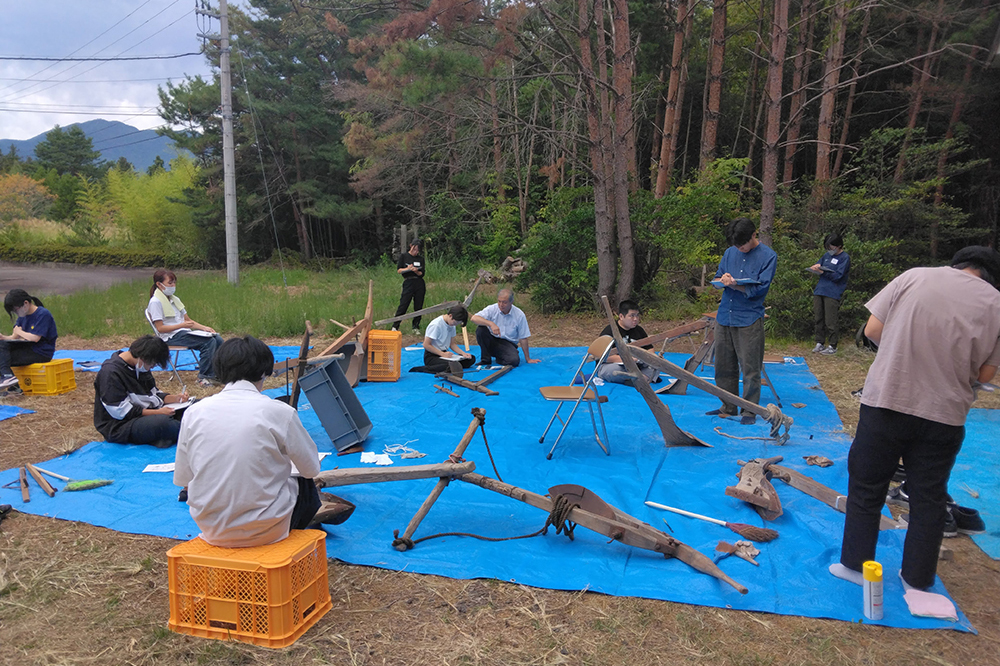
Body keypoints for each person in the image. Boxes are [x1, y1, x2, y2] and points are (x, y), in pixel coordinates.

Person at [831, 246, 1000, 594]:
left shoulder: (915, 276)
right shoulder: (996, 303)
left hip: (888, 401)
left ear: (957, 264)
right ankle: (917, 579)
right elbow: (986, 372)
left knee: (867, 486)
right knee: (929, 498)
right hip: (945, 414)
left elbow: (873, 331)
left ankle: (855, 566)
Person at [174, 336, 354, 548]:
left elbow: (184, 478)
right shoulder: (279, 412)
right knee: (302, 480)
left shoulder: (194, 412)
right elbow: (311, 468)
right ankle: (301, 526)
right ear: (264, 372)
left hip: (211, 528)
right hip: (268, 530)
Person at [707, 218, 777, 425]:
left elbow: (759, 290)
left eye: (743, 245)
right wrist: (722, 281)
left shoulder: (768, 256)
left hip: (748, 317)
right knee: (723, 364)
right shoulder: (730, 253)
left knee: (750, 366)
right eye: (736, 245)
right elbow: (718, 278)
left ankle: (749, 410)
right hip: (725, 315)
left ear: (754, 235)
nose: (740, 248)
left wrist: (736, 284)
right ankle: (728, 405)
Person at [93, 335, 188, 447]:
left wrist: (175, 398)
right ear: (143, 358)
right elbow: (121, 412)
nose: (152, 367)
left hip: (148, 414)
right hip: (121, 425)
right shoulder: (110, 373)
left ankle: (164, 436)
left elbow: (153, 394)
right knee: (163, 423)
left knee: (194, 407)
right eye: (152, 364)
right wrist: (158, 412)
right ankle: (191, 433)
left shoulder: (140, 366)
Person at [145, 269, 224, 387]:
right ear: (159, 284)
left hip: (183, 332)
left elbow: (188, 321)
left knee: (217, 339)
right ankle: (205, 377)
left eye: (174, 283)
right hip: (170, 336)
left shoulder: (174, 299)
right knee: (208, 342)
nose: (173, 286)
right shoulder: (155, 302)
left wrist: (204, 328)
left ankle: (217, 373)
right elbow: (160, 328)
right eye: (170, 283)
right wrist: (181, 325)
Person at [0, 289, 59, 391]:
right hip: (27, 348)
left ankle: (8, 377)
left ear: (25, 303)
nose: (16, 313)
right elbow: (14, 336)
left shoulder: (43, 314)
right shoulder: (23, 315)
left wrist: (19, 332)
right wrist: (3, 338)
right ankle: (13, 386)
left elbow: (35, 338)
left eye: (16, 310)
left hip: (41, 352)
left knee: (2, 359)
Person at [470, 288, 541, 367]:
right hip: (492, 339)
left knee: (514, 361)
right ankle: (486, 359)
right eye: (499, 301)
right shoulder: (492, 309)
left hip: (508, 343)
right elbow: (474, 318)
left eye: (504, 302)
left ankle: (500, 357)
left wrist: (528, 359)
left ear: (511, 302)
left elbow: (523, 337)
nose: (501, 305)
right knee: (481, 329)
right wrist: (490, 324)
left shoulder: (519, 315)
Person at [597, 300, 659, 385]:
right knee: (613, 370)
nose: (635, 319)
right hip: (615, 365)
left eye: (637, 315)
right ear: (621, 316)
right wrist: (628, 360)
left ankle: (640, 379)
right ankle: (637, 379)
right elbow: (601, 356)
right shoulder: (610, 331)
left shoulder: (639, 330)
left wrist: (647, 357)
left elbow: (649, 348)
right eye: (632, 316)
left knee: (658, 363)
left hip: (637, 365)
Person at [809, 233, 851, 355]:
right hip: (820, 290)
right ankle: (819, 342)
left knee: (830, 320)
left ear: (839, 246)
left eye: (832, 247)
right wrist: (816, 268)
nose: (830, 250)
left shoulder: (844, 258)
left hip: (832, 292)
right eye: (828, 247)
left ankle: (833, 345)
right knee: (818, 317)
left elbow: (838, 276)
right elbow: (819, 265)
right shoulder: (826, 256)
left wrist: (823, 272)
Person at [409, 304, 475, 374]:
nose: (455, 325)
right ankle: (423, 369)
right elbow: (426, 345)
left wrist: (463, 353)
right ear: (450, 316)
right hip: (432, 355)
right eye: (455, 322)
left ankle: (455, 366)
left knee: (471, 359)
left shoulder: (451, 324)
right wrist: (442, 354)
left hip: (445, 354)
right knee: (449, 365)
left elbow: (452, 344)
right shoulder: (436, 325)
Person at [392, 239, 426, 335]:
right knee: (404, 304)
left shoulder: (420, 259)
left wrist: (416, 270)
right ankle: (395, 325)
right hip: (408, 281)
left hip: (419, 282)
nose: (416, 252)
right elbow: (399, 270)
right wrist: (408, 268)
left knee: (418, 305)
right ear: (411, 246)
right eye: (414, 249)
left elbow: (422, 273)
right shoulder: (404, 256)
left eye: (418, 250)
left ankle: (415, 326)